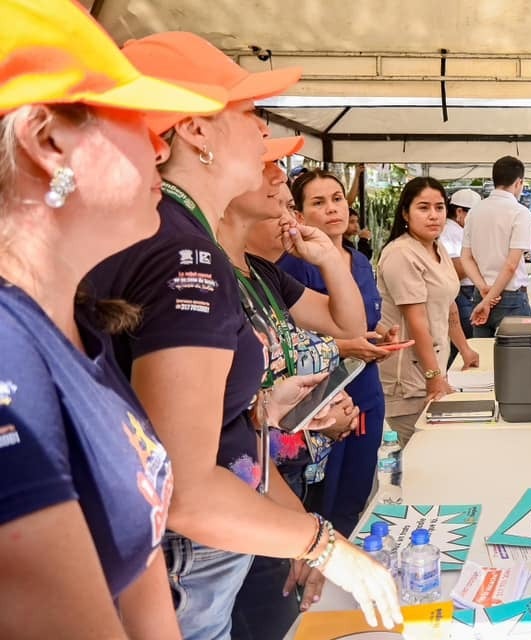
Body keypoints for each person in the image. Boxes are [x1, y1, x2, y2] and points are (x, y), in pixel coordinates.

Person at [86, 32, 401, 639]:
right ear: (195, 131)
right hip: (185, 559)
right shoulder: (183, 253)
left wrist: (262, 407)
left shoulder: (173, 236)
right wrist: (325, 546)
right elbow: (184, 486)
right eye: (252, 115)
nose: (266, 140)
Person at [0, 3, 224, 636]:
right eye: (136, 119)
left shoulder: (74, 328)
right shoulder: (9, 350)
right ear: (47, 141)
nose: (160, 145)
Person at [219, 152, 366, 640]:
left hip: (283, 481)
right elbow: (228, 421)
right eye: (283, 202)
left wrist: (327, 258)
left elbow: (350, 325)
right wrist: (310, 535)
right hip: (243, 492)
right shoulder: (208, 275)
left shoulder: (262, 273)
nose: (290, 215)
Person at [280, 168, 397, 535]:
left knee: (357, 487)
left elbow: (363, 319)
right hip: (322, 395)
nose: (333, 209)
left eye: (337, 199)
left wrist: (380, 335)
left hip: (366, 388)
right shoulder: (291, 267)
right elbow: (292, 340)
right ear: (298, 216)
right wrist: (348, 346)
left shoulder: (359, 260)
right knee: (323, 493)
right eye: (318, 202)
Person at [378, 177, 479, 446]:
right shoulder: (401, 253)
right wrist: (433, 378)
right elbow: (416, 323)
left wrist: (465, 349)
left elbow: (448, 304)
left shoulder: (437, 247)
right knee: (421, 457)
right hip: (409, 380)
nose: (434, 215)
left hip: (433, 368)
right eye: (423, 208)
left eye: (439, 207)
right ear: (405, 213)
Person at [460, 156, 531, 335]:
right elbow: (511, 265)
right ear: (519, 182)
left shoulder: (475, 211)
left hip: (481, 293)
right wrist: (490, 297)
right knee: (517, 360)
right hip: (511, 298)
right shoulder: (520, 212)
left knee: (483, 359)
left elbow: (466, 258)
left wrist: (484, 289)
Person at [440, 188, 482, 364]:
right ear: (459, 212)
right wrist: (475, 258)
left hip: (466, 293)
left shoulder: (458, 231)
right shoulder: (450, 233)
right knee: (464, 343)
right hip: (461, 294)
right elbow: (455, 270)